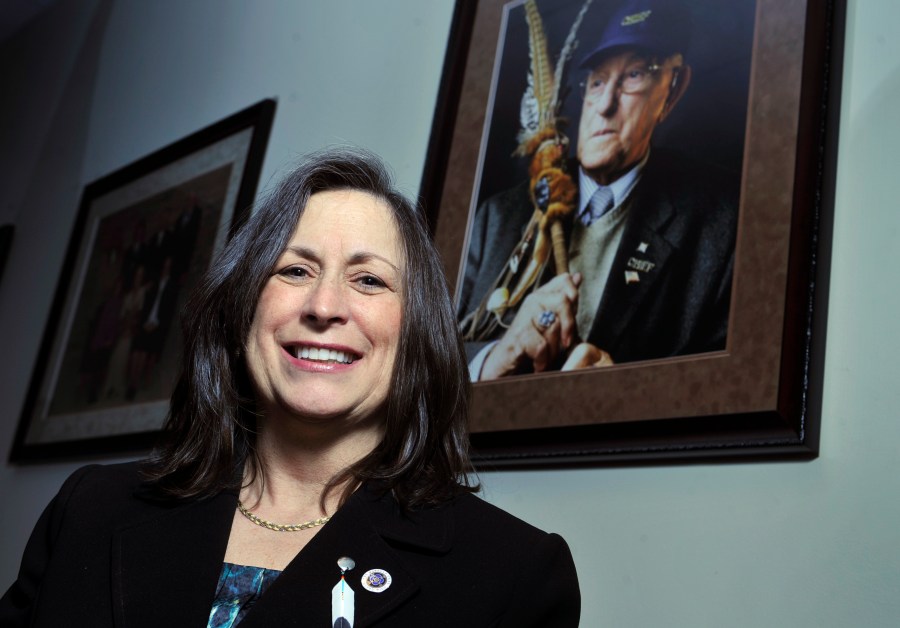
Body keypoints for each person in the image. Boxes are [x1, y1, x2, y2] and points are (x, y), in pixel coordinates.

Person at [0, 148, 580, 627]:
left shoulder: (515, 574)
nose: (324, 306)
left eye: (369, 279)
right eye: (294, 270)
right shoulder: (89, 508)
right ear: (244, 306)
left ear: (417, 334)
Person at [459, 0, 739, 380]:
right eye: (597, 81)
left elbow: (725, 384)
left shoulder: (718, 227)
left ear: (673, 90)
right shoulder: (497, 220)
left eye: (635, 75)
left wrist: (621, 392)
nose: (605, 105)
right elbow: (424, 366)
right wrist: (494, 359)